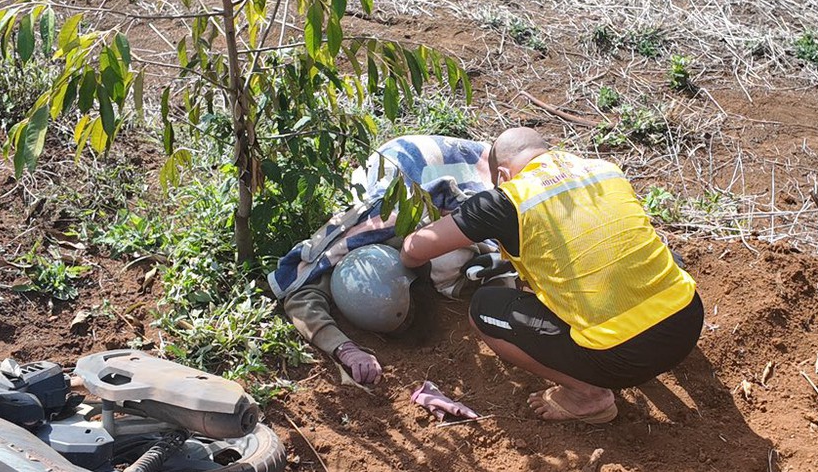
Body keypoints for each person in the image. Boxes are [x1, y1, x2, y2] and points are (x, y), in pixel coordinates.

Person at [400, 126, 704, 424]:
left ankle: (588, 395)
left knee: (484, 310)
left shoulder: (506, 201)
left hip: (623, 359)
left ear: (503, 176)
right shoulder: (603, 168)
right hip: (687, 323)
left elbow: (414, 250)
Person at [269, 135, 497, 386]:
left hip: (411, 163)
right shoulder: (339, 266)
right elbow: (299, 297)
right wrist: (344, 348)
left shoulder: (409, 238)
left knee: (451, 256)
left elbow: (456, 212)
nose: (412, 317)